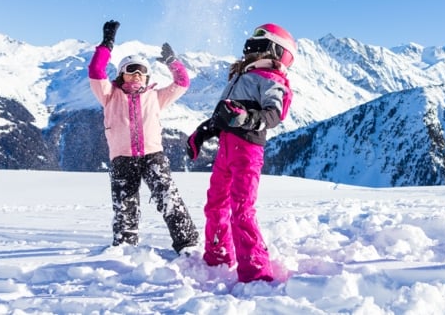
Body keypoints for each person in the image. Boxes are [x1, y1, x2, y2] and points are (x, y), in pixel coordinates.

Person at [187, 23, 295, 282]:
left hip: (247, 150)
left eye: (257, 44)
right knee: (215, 204)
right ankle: (218, 256)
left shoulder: (271, 79)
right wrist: (203, 132)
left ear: (272, 49)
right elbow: (223, 117)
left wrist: (245, 117)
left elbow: (274, 113)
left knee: (241, 208)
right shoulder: (239, 76)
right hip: (226, 149)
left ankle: (255, 271)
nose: (250, 48)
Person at [88, 20, 200, 255]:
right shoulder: (109, 95)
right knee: (124, 206)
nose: (137, 75)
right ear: (121, 75)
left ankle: (187, 243)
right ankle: (125, 247)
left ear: (148, 77)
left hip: (153, 157)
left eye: (142, 71)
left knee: (168, 198)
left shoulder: (155, 97)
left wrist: (172, 62)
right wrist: (107, 44)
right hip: (122, 159)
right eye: (131, 70)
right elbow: (96, 72)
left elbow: (182, 82)